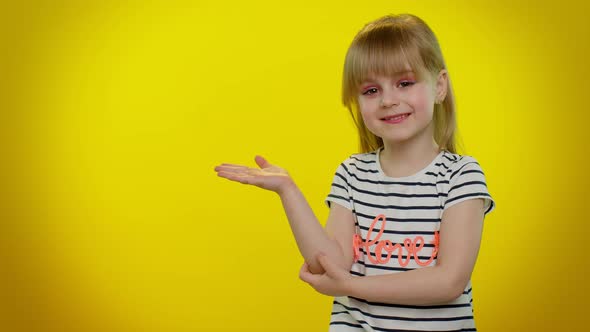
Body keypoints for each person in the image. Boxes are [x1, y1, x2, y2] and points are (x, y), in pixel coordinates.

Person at [214, 13, 495, 332]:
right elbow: (329, 264)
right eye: (371, 90)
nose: (389, 100)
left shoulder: (461, 176)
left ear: (439, 86)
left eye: (404, 83)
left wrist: (351, 287)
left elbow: (448, 282)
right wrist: (288, 190)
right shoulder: (352, 173)